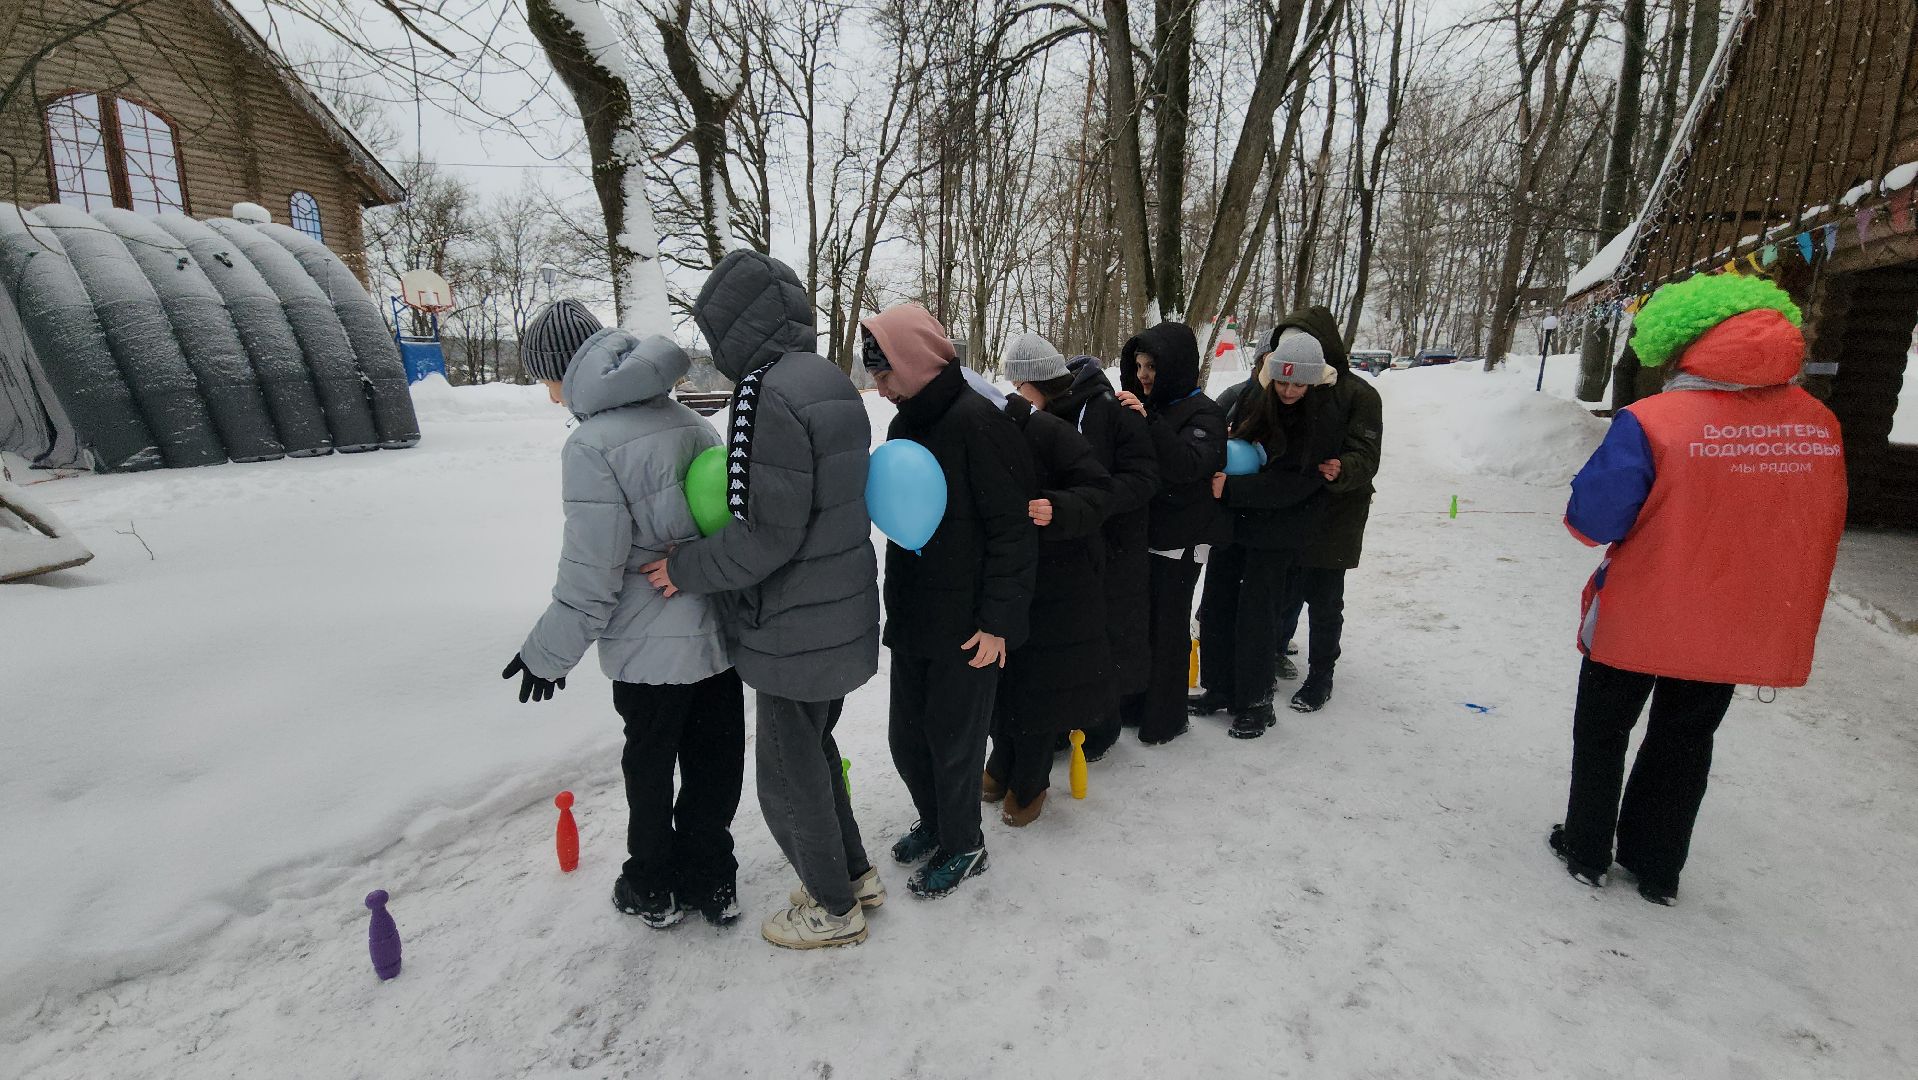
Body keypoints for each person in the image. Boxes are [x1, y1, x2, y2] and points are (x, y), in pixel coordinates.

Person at [1551, 273, 1846, 906]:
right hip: (1737, 618)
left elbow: (1593, 521)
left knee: (1603, 730)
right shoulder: (1818, 424)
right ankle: (1656, 867)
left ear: (1685, 340)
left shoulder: (1653, 420)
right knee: (1686, 740)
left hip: (1641, 610)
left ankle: (1586, 849)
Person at [635, 251, 881, 950]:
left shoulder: (763, 392)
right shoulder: (829, 379)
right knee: (814, 752)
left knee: (785, 774)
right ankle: (853, 875)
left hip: (792, 623)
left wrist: (684, 568)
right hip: (840, 609)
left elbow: (765, 533)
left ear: (732, 324)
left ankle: (833, 908)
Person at [503, 302, 741, 930]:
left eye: (548, 380)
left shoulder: (590, 445)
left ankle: (651, 885)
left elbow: (593, 571)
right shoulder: (694, 424)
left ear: (567, 370)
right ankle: (713, 880)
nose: (552, 397)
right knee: (714, 759)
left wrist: (547, 654)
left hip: (645, 648)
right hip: (715, 637)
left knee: (651, 765)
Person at [863, 304, 1037, 897]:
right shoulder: (903, 426)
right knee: (907, 740)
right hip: (915, 612)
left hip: (970, 625)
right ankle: (936, 821)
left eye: (884, 375)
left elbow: (1013, 532)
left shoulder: (978, 422)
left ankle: (964, 844)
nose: (880, 389)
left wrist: (998, 622)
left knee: (953, 744)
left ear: (913, 362)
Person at [980, 345, 1115, 825]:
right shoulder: (1008, 425)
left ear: (1027, 383)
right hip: (1017, 573)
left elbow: (1100, 491)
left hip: (1061, 579)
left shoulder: (1054, 430)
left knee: (1039, 684)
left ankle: (1030, 779)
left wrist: (1059, 508)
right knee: (1008, 675)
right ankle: (1002, 760)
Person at [1005, 343, 1159, 762]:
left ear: (1037, 381)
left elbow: (1143, 478)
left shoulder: (1113, 411)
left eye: (1020, 385)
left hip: (1111, 546)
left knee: (1102, 642)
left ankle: (1100, 727)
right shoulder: (1041, 418)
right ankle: (1059, 725)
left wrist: (1091, 499)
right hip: (1063, 545)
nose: (1017, 394)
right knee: (1065, 644)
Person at [1189, 329, 1345, 739]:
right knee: (1218, 606)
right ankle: (1219, 687)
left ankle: (1256, 703)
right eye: (1282, 381)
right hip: (1235, 524)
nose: (1289, 391)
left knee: (1257, 617)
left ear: (1313, 381)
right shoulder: (1255, 398)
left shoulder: (1324, 418)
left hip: (1277, 533)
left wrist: (1233, 489)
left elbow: (1297, 483)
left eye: (1298, 384)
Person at [1262, 308, 1384, 713]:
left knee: (1326, 600)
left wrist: (1343, 468)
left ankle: (1320, 676)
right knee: (1283, 590)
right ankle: (1273, 651)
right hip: (1292, 509)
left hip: (1337, 514)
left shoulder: (1359, 395)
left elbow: (1366, 453)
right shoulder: (1286, 387)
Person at [1117, 322, 1227, 746]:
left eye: (1153, 367)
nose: (1144, 375)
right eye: (1139, 366)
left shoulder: (1204, 413)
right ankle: (1135, 703)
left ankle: (1166, 716)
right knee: (1141, 624)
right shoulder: (1151, 405)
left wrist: (1148, 422)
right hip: (1147, 533)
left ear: (1176, 367)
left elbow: (1187, 466)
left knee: (1168, 628)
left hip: (1182, 539)